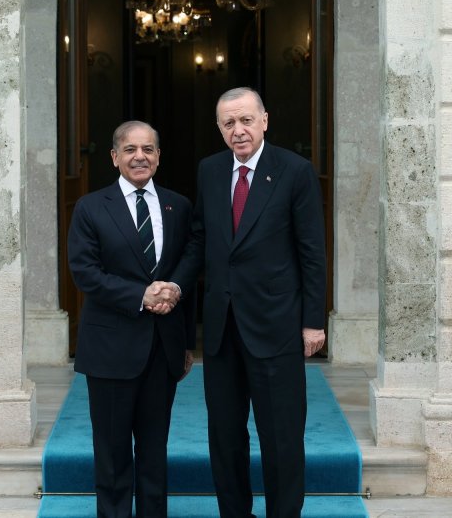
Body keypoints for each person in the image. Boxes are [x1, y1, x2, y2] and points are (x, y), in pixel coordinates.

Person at [165, 87, 326, 518]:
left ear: (265, 120)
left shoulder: (294, 171)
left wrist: (314, 321)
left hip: (277, 326)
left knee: (282, 437)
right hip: (221, 330)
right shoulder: (210, 170)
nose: (239, 131)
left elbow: (311, 250)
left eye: (246, 121)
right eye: (229, 123)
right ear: (220, 129)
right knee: (225, 435)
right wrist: (177, 285)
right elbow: (201, 238)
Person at [67, 120, 195, 518]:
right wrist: (141, 295)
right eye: (130, 149)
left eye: (148, 149)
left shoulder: (179, 206)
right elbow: (84, 271)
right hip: (110, 350)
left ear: (158, 157)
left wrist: (174, 292)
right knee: (112, 452)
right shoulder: (90, 207)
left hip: (162, 348)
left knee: (155, 452)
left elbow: (191, 260)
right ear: (114, 157)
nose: (140, 156)